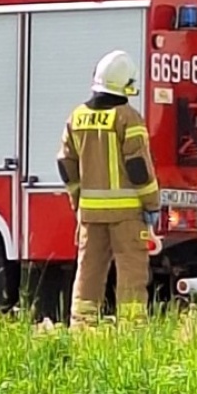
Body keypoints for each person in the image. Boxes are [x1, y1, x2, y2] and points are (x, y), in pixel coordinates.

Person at [56, 49, 160, 328]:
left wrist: (77, 199)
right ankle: (131, 332)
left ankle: (82, 328)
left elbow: (65, 164)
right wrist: (152, 204)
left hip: (90, 215)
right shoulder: (127, 117)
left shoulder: (76, 117)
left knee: (88, 272)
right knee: (131, 273)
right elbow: (138, 167)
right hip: (127, 215)